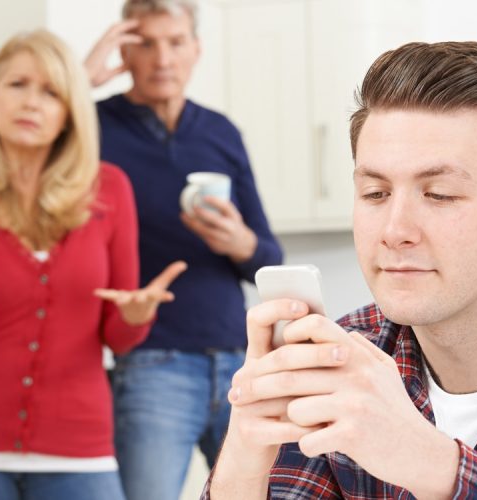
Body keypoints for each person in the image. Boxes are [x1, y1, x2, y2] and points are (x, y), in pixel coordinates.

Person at [206, 41, 477, 498]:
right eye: (375, 194)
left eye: (439, 195)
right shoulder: (349, 361)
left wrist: (429, 462)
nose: (395, 231)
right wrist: (244, 461)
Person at [0, 29, 185, 500]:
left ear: (68, 113)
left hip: (78, 448)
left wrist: (135, 316)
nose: (31, 103)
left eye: (51, 92)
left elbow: (118, 339)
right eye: (17, 84)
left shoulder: (109, 191)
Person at [83, 1, 283, 499]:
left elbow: (268, 258)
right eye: (146, 44)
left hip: (238, 361)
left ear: (196, 49)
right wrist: (79, 82)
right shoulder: (90, 127)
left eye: (175, 42)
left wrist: (239, 243)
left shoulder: (220, 132)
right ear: (123, 52)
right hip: (151, 363)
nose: (162, 58)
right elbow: (30, 157)